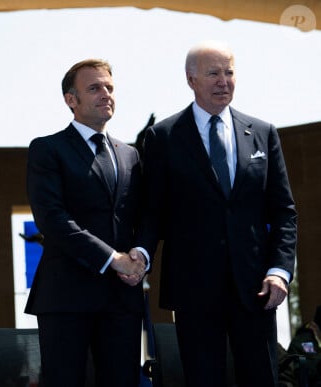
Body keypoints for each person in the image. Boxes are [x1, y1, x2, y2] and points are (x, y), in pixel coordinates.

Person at [133, 41, 298, 387]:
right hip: (194, 290)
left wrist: (280, 271)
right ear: (191, 79)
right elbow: (153, 212)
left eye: (229, 72)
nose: (224, 81)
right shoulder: (162, 137)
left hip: (256, 289)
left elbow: (284, 212)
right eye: (213, 73)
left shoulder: (263, 133)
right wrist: (142, 254)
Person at [25, 58, 147, 387]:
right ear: (71, 100)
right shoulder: (47, 149)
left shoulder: (130, 155)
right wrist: (113, 259)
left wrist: (140, 255)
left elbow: (144, 215)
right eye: (94, 88)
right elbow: (52, 218)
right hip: (66, 295)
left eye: (109, 87)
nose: (105, 94)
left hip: (122, 298)